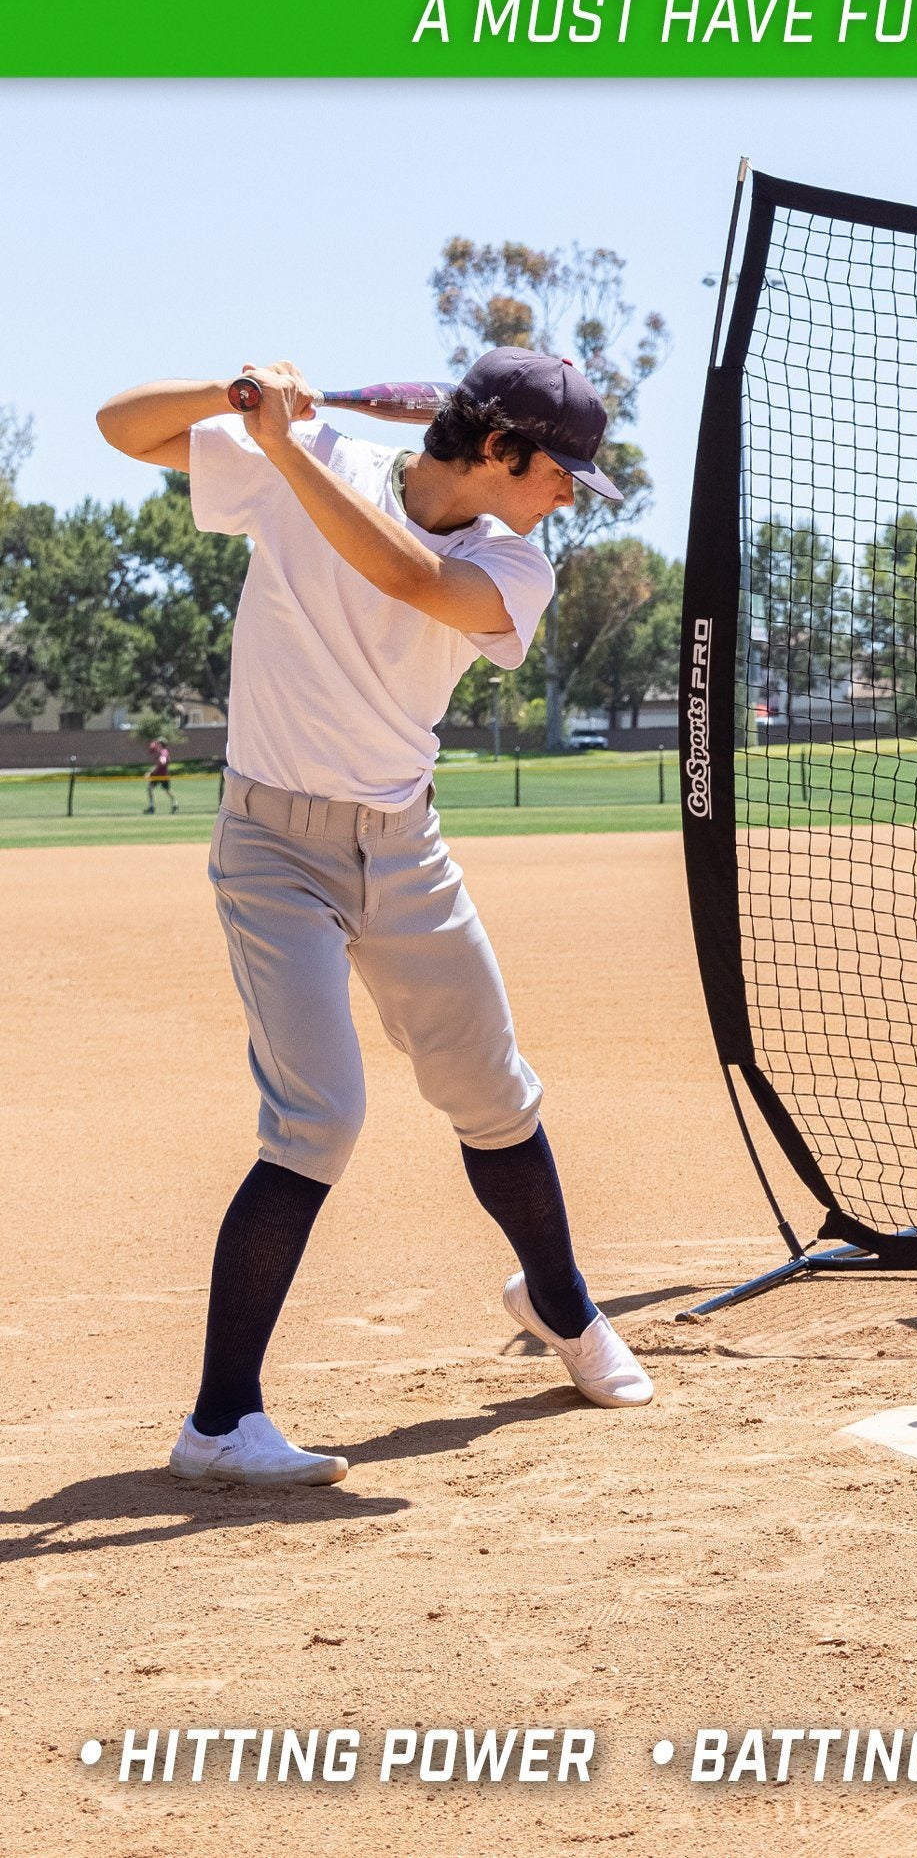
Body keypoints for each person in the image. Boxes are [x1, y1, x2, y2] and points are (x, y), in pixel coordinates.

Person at [96, 349, 652, 1488]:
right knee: (320, 1117)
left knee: (492, 1091)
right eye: (560, 471)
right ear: (500, 449)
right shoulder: (318, 456)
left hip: (403, 846)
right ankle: (219, 1422)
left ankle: (561, 1305)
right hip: (273, 849)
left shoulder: (511, 561)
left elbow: (409, 582)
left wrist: (285, 448)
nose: (566, 496)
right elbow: (119, 428)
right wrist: (236, 395)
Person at [144, 737, 176, 813]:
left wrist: (151, 771)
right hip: (157, 774)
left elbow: (162, 761)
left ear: (161, 744)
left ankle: (175, 804)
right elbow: (158, 764)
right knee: (150, 789)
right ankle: (151, 807)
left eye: (158, 743)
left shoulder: (164, 751)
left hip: (162, 775)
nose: (156, 744)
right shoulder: (160, 751)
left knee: (167, 790)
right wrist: (151, 771)